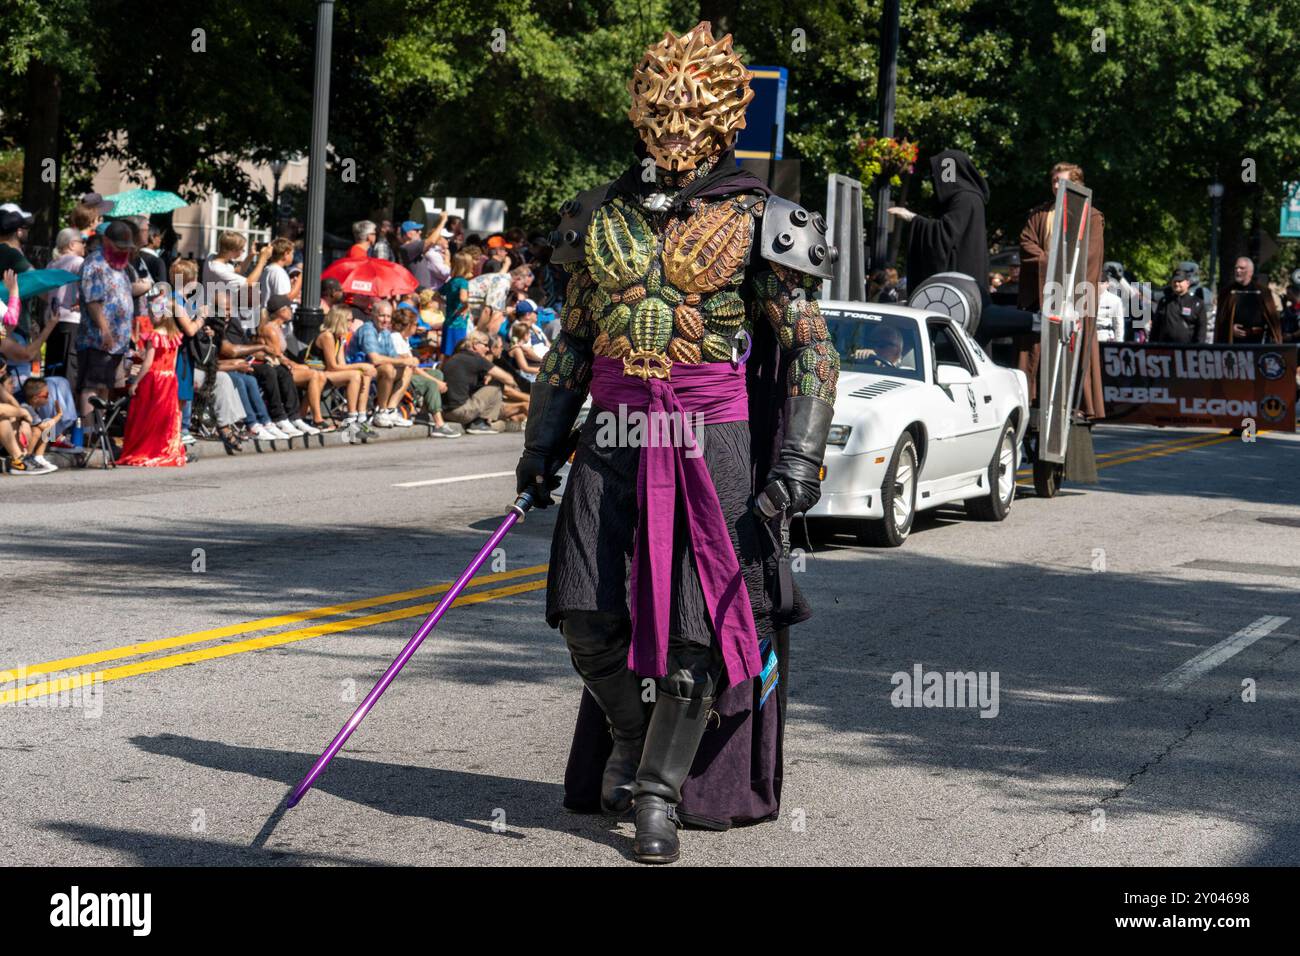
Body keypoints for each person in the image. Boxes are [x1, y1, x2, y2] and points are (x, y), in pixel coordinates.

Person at [514, 21, 837, 864]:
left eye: (693, 107)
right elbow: (573, 343)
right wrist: (540, 444)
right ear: (639, 107)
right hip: (616, 427)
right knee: (585, 612)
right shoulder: (597, 212)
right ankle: (629, 734)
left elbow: (809, 347)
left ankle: (658, 792)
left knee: (698, 633)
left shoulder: (764, 218)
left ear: (727, 114)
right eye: (660, 102)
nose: (674, 121)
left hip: (709, 436)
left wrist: (799, 459)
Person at [1016, 161, 1106, 420]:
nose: (1056, 185)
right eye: (1054, 181)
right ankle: (1036, 401)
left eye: (1062, 181)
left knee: (1073, 349)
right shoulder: (1040, 214)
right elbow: (1026, 243)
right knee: (1037, 350)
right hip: (1042, 296)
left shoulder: (1091, 216)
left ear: (1077, 184)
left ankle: (1075, 405)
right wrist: (1050, 263)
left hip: (1075, 299)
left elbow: (1090, 258)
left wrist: (1065, 281)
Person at [889, 149, 990, 293]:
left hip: (958, 287)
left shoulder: (964, 198)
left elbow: (945, 234)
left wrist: (912, 217)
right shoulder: (967, 198)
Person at [76, 221, 148, 418]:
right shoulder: (95, 264)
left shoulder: (119, 265)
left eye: (126, 247)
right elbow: (93, 302)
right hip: (98, 340)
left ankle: (100, 432)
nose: (124, 251)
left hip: (118, 343)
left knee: (106, 386)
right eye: (120, 247)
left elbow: (121, 295)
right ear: (106, 241)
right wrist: (105, 331)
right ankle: (89, 433)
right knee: (92, 387)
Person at [116, 301, 187, 467]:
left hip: (154, 379)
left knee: (146, 415)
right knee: (165, 417)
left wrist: (136, 382)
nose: (150, 317)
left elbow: (148, 363)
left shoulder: (155, 335)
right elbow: (174, 361)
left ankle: (146, 449)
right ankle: (163, 448)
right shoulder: (174, 334)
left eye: (151, 313)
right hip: (169, 378)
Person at [257, 294, 327, 433]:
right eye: (289, 308)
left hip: (283, 366)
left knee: (320, 375)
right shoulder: (270, 329)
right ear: (281, 311)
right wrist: (299, 365)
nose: (292, 311)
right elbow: (277, 357)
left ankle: (300, 416)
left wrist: (301, 365)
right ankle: (317, 419)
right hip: (277, 369)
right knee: (313, 374)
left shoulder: (279, 328)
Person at [388, 308, 459, 437]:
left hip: (409, 373)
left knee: (437, 374)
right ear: (408, 325)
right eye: (415, 324)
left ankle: (423, 414)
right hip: (400, 378)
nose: (418, 326)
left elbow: (413, 366)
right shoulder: (395, 338)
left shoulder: (404, 338)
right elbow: (410, 366)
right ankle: (439, 424)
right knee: (432, 383)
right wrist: (436, 382)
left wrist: (433, 376)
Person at [345, 299, 415, 427]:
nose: (385, 320)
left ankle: (390, 410)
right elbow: (375, 359)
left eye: (388, 316)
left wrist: (408, 358)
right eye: (382, 315)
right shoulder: (368, 329)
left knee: (408, 368)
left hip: (373, 371)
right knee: (388, 368)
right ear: (373, 315)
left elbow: (393, 356)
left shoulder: (385, 333)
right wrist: (403, 360)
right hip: (358, 370)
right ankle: (381, 413)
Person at [310, 306, 375, 440]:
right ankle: (351, 419)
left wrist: (363, 369)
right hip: (317, 373)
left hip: (328, 372)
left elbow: (342, 365)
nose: (352, 323)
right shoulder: (327, 336)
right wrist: (361, 365)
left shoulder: (339, 338)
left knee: (364, 374)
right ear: (340, 320)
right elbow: (332, 366)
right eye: (350, 320)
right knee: (356, 374)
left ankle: (361, 417)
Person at [440, 332, 518, 433]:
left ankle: (480, 422)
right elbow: (508, 379)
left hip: (445, 413)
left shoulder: (454, 358)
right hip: (460, 413)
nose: (488, 349)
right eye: (485, 345)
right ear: (475, 345)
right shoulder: (477, 359)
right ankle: (480, 423)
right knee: (497, 385)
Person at [205, 231, 273, 331]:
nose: (243, 251)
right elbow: (249, 283)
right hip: (218, 315)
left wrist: (251, 256)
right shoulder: (217, 269)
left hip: (222, 311)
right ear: (232, 250)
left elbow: (235, 272)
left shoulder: (212, 256)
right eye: (241, 249)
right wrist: (262, 260)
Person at [1216, 257, 1281, 344]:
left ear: (1250, 272)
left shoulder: (1263, 292)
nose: (1238, 271)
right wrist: (1230, 329)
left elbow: (1273, 322)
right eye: (1236, 268)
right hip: (1233, 343)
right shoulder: (1227, 292)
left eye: (1242, 268)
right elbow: (1220, 320)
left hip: (1257, 343)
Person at [0, 204, 35, 338]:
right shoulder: (10, 254)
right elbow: (35, 277)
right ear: (16, 231)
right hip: (12, 330)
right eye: (24, 227)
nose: (25, 231)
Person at [1150, 268, 1208, 344]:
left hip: (1187, 351)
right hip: (1165, 350)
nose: (1176, 284)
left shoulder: (1197, 303)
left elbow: (1201, 330)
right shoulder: (1164, 301)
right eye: (1174, 281)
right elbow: (1155, 328)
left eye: (1180, 281)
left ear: (1187, 283)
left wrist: (1198, 349)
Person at [439, 251, 475, 358]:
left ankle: (443, 373)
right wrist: (467, 306)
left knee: (447, 354)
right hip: (459, 324)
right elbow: (463, 298)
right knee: (459, 353)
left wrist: (446, 302)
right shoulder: (463, 282)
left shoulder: (451, 281)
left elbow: (435, 296)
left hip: (448, 322)